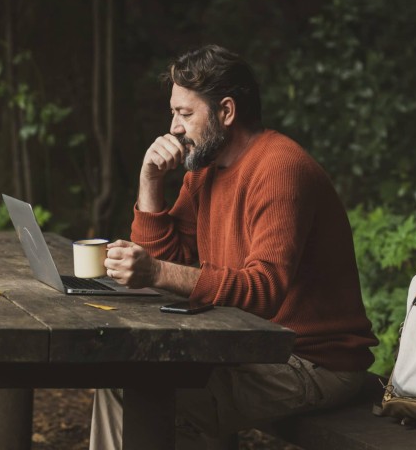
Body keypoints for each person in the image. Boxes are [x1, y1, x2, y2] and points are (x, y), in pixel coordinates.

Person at [90, 44, 378, 449]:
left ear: (226, 112)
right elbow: (169, 263)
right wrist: (150, 181)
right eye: (173, 112)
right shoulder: (205, 171)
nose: (173, 127)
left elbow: (263, 290)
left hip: (310, 362)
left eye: (185, 114)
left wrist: (154, 271)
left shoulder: (280, 169)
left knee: (136, 392)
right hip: (248, 347)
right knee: (132, 385)